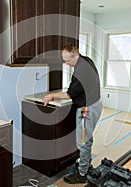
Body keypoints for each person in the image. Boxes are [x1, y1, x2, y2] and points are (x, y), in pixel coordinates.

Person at [42, 43, 102, 184]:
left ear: (76, 54)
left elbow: (69, 94)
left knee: (83, 142)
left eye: (68, 60)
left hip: (87, 109)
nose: (66, 63)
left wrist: (52, 96)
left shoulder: (81, 71)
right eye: (64, 60)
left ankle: (82, 174)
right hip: (94, 104)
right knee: (86, 139)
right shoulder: (86, 60)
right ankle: (85, 165)